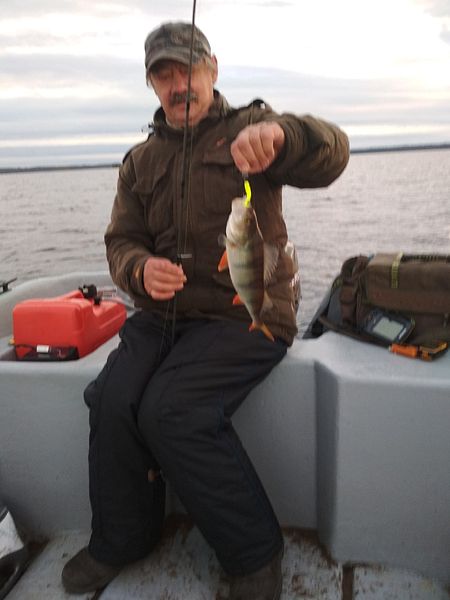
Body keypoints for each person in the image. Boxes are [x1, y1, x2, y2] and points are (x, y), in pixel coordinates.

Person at [62, 21, 349, 600]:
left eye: (188, 70)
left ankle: (254, 555)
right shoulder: (140, 161)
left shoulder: (251, 129)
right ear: (151, 84)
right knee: (112, 399)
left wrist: (285, 135)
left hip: (248, 311)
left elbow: (331, 154)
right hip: (163, 316)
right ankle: (123, 538)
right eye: (163, 75)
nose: (178, 85)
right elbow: (121, 242)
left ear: (212, 70)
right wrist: (140, 269)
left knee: (172, 410)